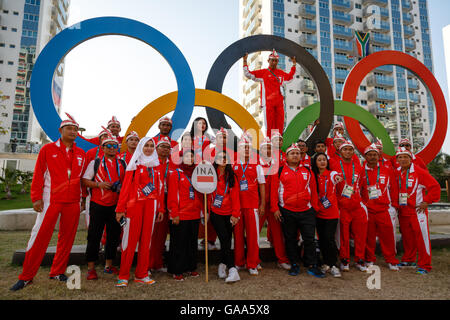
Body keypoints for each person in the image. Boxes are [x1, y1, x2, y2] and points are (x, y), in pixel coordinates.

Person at [11, 113, 87, 291]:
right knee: (39, 236)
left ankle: (57, 271)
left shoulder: (81, 153)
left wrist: (82, 198)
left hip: (73, 202)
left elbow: (81, 178)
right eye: (69, 128)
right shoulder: (48, 149)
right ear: (61, 131)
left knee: (67, 239)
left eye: (76, 129)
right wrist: (36, 197)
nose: (73, 131)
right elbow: (38, 175)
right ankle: (26, 276)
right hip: (50, 200)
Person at [115, 137, 164, 287]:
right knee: (129, 241)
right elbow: (125, 189)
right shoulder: (134, 165)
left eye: (151, 146)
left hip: (151, 206)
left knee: (146, 241)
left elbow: (160, 189)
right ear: (141, 147)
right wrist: (120, 209)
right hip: (134, 207)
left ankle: (142, 274)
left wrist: (160, 208)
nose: (149, 148)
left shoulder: (157, 166)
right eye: (146, 146)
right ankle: (123, 275)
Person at [270, 143, 325, 278]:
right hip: (287, 211)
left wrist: (314, 208)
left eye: (297, 153)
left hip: (306, 211)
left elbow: (313, 190)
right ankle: (294, 264)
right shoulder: (280, 170)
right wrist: (275, 208)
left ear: (301, 156)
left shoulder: (308, 170)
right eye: (292, 153)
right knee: (290, 239)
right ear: (286, 156)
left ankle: (312, 265)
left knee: (309, 239)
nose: (295, 155)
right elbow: (273, 191)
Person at [82, 132, 126, 280]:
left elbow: (126, 183)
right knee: (94, 236)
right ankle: (91, 268)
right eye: (109, 146)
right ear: (103, 148)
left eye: (115, 146)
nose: (112, 148)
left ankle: (108, 266)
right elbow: (84, 180)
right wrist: (98, 184)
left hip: (115, 205)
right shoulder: (95, 162)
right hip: (98, 204)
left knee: (113, 237)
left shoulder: (122, 163)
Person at [392, 147, 440, 274]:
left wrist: (427, 201)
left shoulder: (419, 171)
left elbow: (435, 186)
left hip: (417, 211)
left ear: (410, 158)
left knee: (422, 238)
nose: (403, 159)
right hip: (403, 211)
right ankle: (409, 259)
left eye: (405, 157)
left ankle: (425, 265)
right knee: (408, 238)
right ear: (397, 159)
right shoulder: (396, 172)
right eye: (400, 157)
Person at [359, 144, 399, 271]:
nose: (372, 157)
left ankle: (391, 260)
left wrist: (394, 204)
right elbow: (357, 189)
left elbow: (393, 188)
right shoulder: (360, 171)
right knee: (369, 236)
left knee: (387, 236)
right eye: (370, 155)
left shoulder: (386, 170)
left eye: (375, 155)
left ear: (379, 156)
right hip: (368, 210)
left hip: (383, 209)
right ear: (365, 156)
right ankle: (369, 259)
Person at [330, 140, 368, 272]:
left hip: (357, 205)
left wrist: (363, 202)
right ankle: (344, 260)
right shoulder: (334, 164)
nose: (348, 152)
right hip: (342, 206)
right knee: (343, 236)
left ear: (353, 152)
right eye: (345, 149)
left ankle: (359, 259)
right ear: (340, 152)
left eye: (350, 150)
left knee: (360, 235)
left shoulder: (358, 166)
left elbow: (363, 186)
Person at [232, 135, 265, 275]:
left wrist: (262, 203)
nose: (245, 149)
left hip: (252, 205)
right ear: (238, 149)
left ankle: (252, 263)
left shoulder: (256, 165)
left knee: (253, 236)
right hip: (237, 206)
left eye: (247, 147)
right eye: (242, 147)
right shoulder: (233, 165)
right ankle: (239, 262)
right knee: (238, 236)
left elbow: (262, 185)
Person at [243, 50, 297, 136]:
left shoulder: (281, 73)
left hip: (279, 104)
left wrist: (294, 64)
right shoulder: (263, 72)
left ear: (277, 61)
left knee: (280, 126)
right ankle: (269, 146)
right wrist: (245, 61)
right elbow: (248, 74)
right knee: (269, 127)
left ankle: (278, 146)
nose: (274, 62)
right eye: (272, 60)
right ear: (268, 61)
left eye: (276, 60)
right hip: (268, 104)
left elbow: (290, 77)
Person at [167, 150, 202, 281]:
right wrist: (174, 214)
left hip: (194, 214)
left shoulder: (197, 173)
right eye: (187, 156)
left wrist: (202, 212)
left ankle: (191, 267)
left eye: (192, 156)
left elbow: (201, 193)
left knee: (192, 243)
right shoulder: (175, 174)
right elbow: (171, 195)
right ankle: (176, 270)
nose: (190, 158)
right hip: (180, 215)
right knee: (178, 244)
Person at [209, 151, 241, 283]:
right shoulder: (210, 173)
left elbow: (235, 197)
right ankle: (233, 269)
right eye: (219, 157)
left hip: (229, 214)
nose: (222, 159)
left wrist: (235, 214)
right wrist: (205, 210)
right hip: (215, 212)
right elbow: (204, 192)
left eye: (224, 157)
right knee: (224, 238)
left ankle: (222, 265)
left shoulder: (232, 175)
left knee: (226, 241)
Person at [258, 137, 290, 270]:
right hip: (259, 205)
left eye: (270, 148)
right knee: (254, 233)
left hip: (272, 206)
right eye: (265, 148)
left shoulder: (276, 165)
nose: (268, 150)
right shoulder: (256, 165)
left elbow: (277, 187)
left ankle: (281, 259)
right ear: (260, 150)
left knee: (277, 234)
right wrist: (259, 204)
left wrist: (275, 206)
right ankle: (254, 259)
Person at [311, 152, 343, 278]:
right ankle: (326, 263)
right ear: (315, 162)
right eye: (319, 160)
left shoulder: (331, 174)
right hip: (318, 213)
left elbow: (337, 176)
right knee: (322, 239)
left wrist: (338, 177)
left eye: (324, 159)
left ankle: (333, 264)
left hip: (331, 213)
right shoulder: (313, 176)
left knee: (330, 239)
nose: (322, 162)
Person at [148, 136, 177, 273]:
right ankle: (148, 263)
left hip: (168, 200)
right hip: (153, 199)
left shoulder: (173, 164)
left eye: (167, 147)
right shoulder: (151, 162)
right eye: (162, 147)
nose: (165, 149)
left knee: (162, 234)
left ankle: (158, 263)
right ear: (156, 148)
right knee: (151, 233)